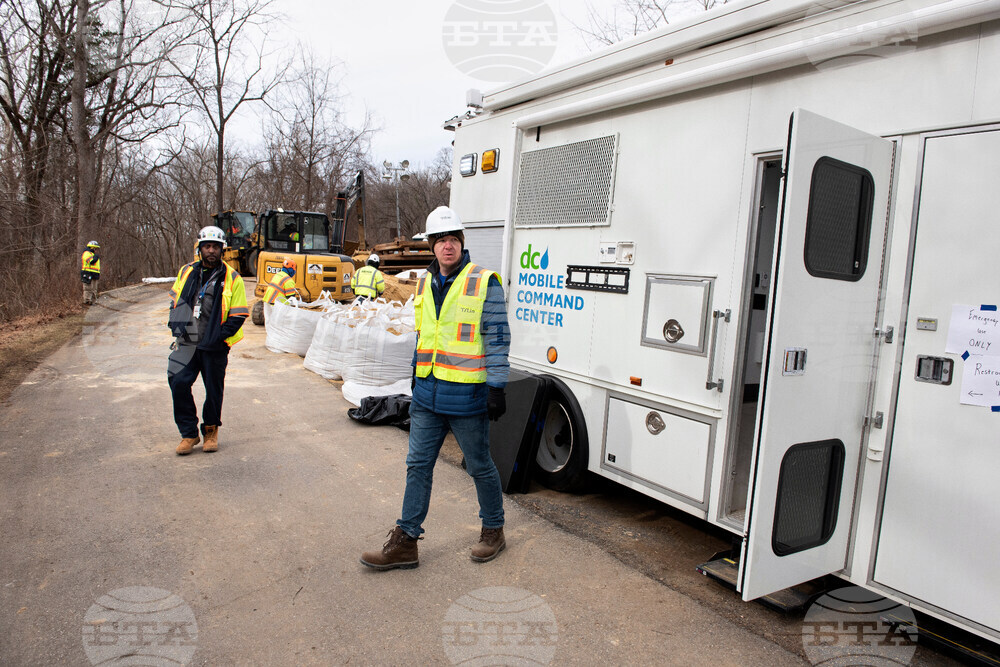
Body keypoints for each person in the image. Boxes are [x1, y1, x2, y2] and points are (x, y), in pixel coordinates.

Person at [361, 206, 510, 570]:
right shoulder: (426, 282)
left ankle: (494, 530)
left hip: (467, 396)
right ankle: (406, 541)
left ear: (461, 243)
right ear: (431, 245)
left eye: (453, 239)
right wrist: (415, 374)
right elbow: (425, 333)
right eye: (441, 240)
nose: (447, 246)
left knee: (479, 466)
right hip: (427, 394)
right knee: (418, 465)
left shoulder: (483, 280)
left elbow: (497, 337)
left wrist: (497, 387)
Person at [167, 226, 249, 456]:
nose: (211, 250)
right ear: (200, 248)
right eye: (207, 246)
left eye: (215, 247)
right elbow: (175, 301)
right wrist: (176, 327)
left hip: (214, 345)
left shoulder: (233, 278)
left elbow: (239, 314)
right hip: (187, 342)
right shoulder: (186, 272)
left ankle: (211, 431)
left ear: (222, 249)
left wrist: (219, 338)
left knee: (214, 391)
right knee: (177, 381)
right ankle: (189, 433)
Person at [81, 241, 101, 305]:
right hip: (88, 273)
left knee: (94, 288)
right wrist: (96, 257)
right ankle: (87, 301)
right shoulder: (86, 253)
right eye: (95, 248)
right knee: (88, 288)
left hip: (94, 273)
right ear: (92, 247)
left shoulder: (93, 254)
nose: (96, 250)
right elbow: (91, 261)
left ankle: (93, 301)